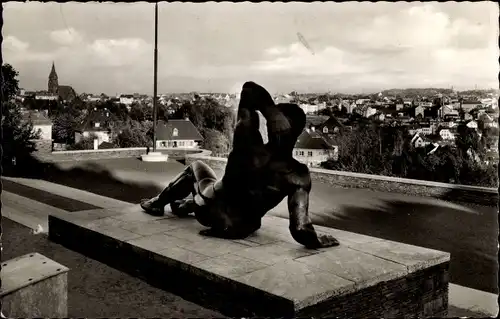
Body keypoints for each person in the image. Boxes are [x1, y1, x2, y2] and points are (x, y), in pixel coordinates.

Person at [140, 82, 339, 249]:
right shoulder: (298, 174)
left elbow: (248, 90)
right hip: (243, 226)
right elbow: (300, 229)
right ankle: (184, 206)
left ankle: (157, 204)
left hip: (212, 212)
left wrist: (270, 110)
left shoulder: (249, 144)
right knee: (215, 195)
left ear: (272, 125)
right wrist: (319, 241)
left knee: (197, 167)